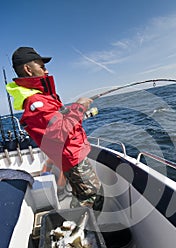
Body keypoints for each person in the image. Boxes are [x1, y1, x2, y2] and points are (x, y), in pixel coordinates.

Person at [6, 46, 103, 211]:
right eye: (41, 66)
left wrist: (72, 112)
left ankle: (79, 224)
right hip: (72, 157)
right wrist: (79, 107)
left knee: (86, 196)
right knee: (91, 199)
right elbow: (59, 133)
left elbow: (59, 123)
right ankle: (81, 230)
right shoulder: (36, 102)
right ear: (28, 69)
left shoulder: (43, 98)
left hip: (73, 154)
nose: (46, 70)